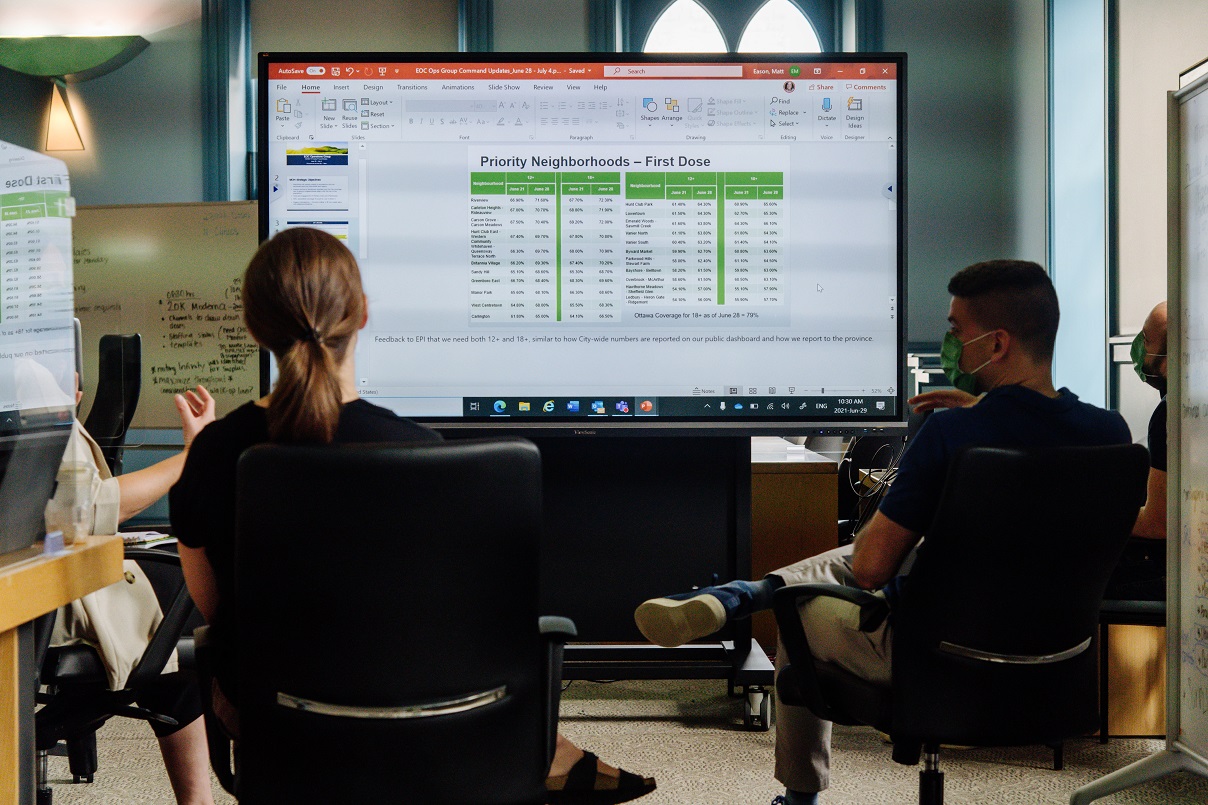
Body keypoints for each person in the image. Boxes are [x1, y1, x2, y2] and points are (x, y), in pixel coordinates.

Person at [171, 227, 655, 804]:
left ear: (254, 327)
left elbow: (215, 608)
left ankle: (556, 753)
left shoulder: (215, 454)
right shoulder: (431, 456)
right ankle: (553, 752)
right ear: (363, 314)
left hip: (279, 721)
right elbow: (471, 622)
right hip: (432, 719)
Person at [633, 260, 1132, 805]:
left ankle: (800, 791)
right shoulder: (1109, 433)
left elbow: (871, 568)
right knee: (888, 554)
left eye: (957, 331)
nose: (949, 344)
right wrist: (985, 412)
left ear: (997, 343)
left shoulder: (950, 434)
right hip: (1062, 662)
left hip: (930, 657)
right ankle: (740, 595)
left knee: (800, 605)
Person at [46, 375, 217, 805]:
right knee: (180, 611)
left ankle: (198, 800)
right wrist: (191, 458)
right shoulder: (28, 397)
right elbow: (96, 507)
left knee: (170, 626)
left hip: (36, 574)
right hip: (33, 599)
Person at [1102, 301, 1167, 600]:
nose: (1139, 347)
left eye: (1147, 339)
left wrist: (1093, 517)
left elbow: (1159, 524)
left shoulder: (1173, 414)